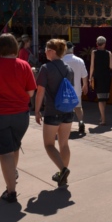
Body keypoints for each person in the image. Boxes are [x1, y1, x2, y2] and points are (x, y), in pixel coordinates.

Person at [0, 33, 36, 203]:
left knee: (5, 152)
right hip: (20, 115)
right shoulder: (24, 65)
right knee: (14, 146)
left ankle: (11, 191)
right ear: (15, 48)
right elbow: (31, 92)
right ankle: (13, 172)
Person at [35, 39, 75, 188]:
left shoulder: (46, 68)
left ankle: (63, 170)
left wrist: (37, 110)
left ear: (52, 51)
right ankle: (62, 176)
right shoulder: (69, 69)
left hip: (52, 111)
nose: (44, 52)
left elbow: (40, 91)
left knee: (49, 145)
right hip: (67, 111)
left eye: (46, 49)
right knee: (64, 144)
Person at [63, 41, 89, 134]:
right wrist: (85, 85)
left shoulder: (61, 61)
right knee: (78, 107)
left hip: (64, 90)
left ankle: (66, 127)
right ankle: (81, 122)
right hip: (77, 88)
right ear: (72, 49)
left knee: (65, 109)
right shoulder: (79, 60)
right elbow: (84, 75)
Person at [89, 36, 112, 125]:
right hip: (106, 77)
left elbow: (92, 66)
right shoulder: (109, 53)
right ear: (104, 44)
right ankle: (102, 116)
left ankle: (103, 119)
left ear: (97, 43)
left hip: (98, 76)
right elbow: (111, 66)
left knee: (100, 98)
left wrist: (90, 77)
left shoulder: (94, 52)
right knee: (104, 98)